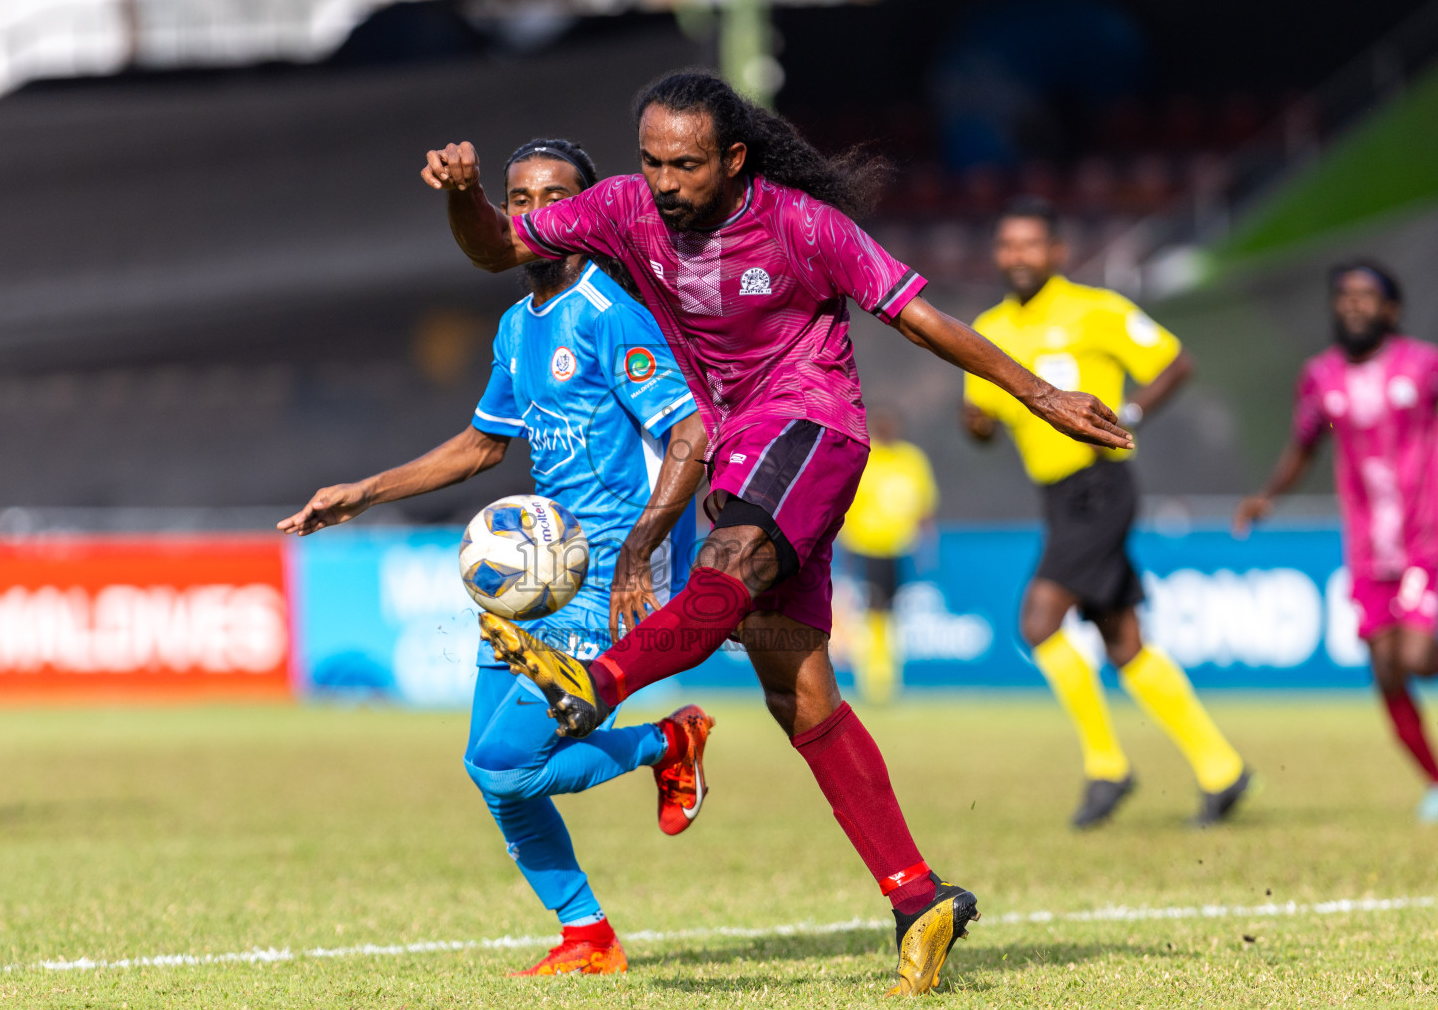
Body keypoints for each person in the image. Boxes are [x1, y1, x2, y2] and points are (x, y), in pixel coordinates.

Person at [420, 70, 1133, 995]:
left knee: (726, 565)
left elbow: (921, 320)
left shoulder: (801, 224)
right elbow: (493, 250)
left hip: (812, 426)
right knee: (798, 693)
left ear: (734, 158)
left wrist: (1040, 396)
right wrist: (468, 199)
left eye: (684, 165)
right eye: (651, 162)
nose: (664, 183)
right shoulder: (623, 211)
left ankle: (595, 684)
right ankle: (919, 898)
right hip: (740, 451)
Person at [280, 138, 713, 975]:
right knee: (490, 767)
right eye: (520, 199)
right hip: (539, 577)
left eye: (556, 197)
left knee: (509, 766)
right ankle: (586, 937)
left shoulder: (611, 310)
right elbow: (484, 447)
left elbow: (692, 431)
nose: (536, 212)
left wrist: (643, 548)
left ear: (586, 215)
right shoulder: (519, 327)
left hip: (610, 573)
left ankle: (670, 744)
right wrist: (362, 492)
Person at [963, 196, 1250, 829]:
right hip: (1057, 498)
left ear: (1057, 251)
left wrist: (1133, 415)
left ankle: (1107, 767)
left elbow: (1177, 362)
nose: (1017, 255)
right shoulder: (988, 329)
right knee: (1122, 643)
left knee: (1039, 622)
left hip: (1100, 484)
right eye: (1006, 244)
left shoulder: (1096, 309)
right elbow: (980, 422)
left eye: (1029, 243)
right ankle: (1221, 769)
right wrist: (977, 423)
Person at [1236, 262, 1438, 824]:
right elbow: (1304, 445)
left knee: (1419, 657)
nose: (1352, 305)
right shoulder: (1321, 377)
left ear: (1391, 310)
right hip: (1369, 552)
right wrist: (1267, 495)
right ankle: (1435, 781)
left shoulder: (1424, 366)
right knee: (1386, 669)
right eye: (1343, 296)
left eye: (1366, 296)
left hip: (1428, 540)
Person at [836, 408, 938, 703]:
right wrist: (845, 547)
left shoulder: (911, 459)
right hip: (865, 546)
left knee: (890, 612)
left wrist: (926, 546)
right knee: (872, 610)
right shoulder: (864, 458)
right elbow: (846, 505)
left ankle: (887, 676)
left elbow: (924, 505)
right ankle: (874, 677)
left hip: (899, 546)